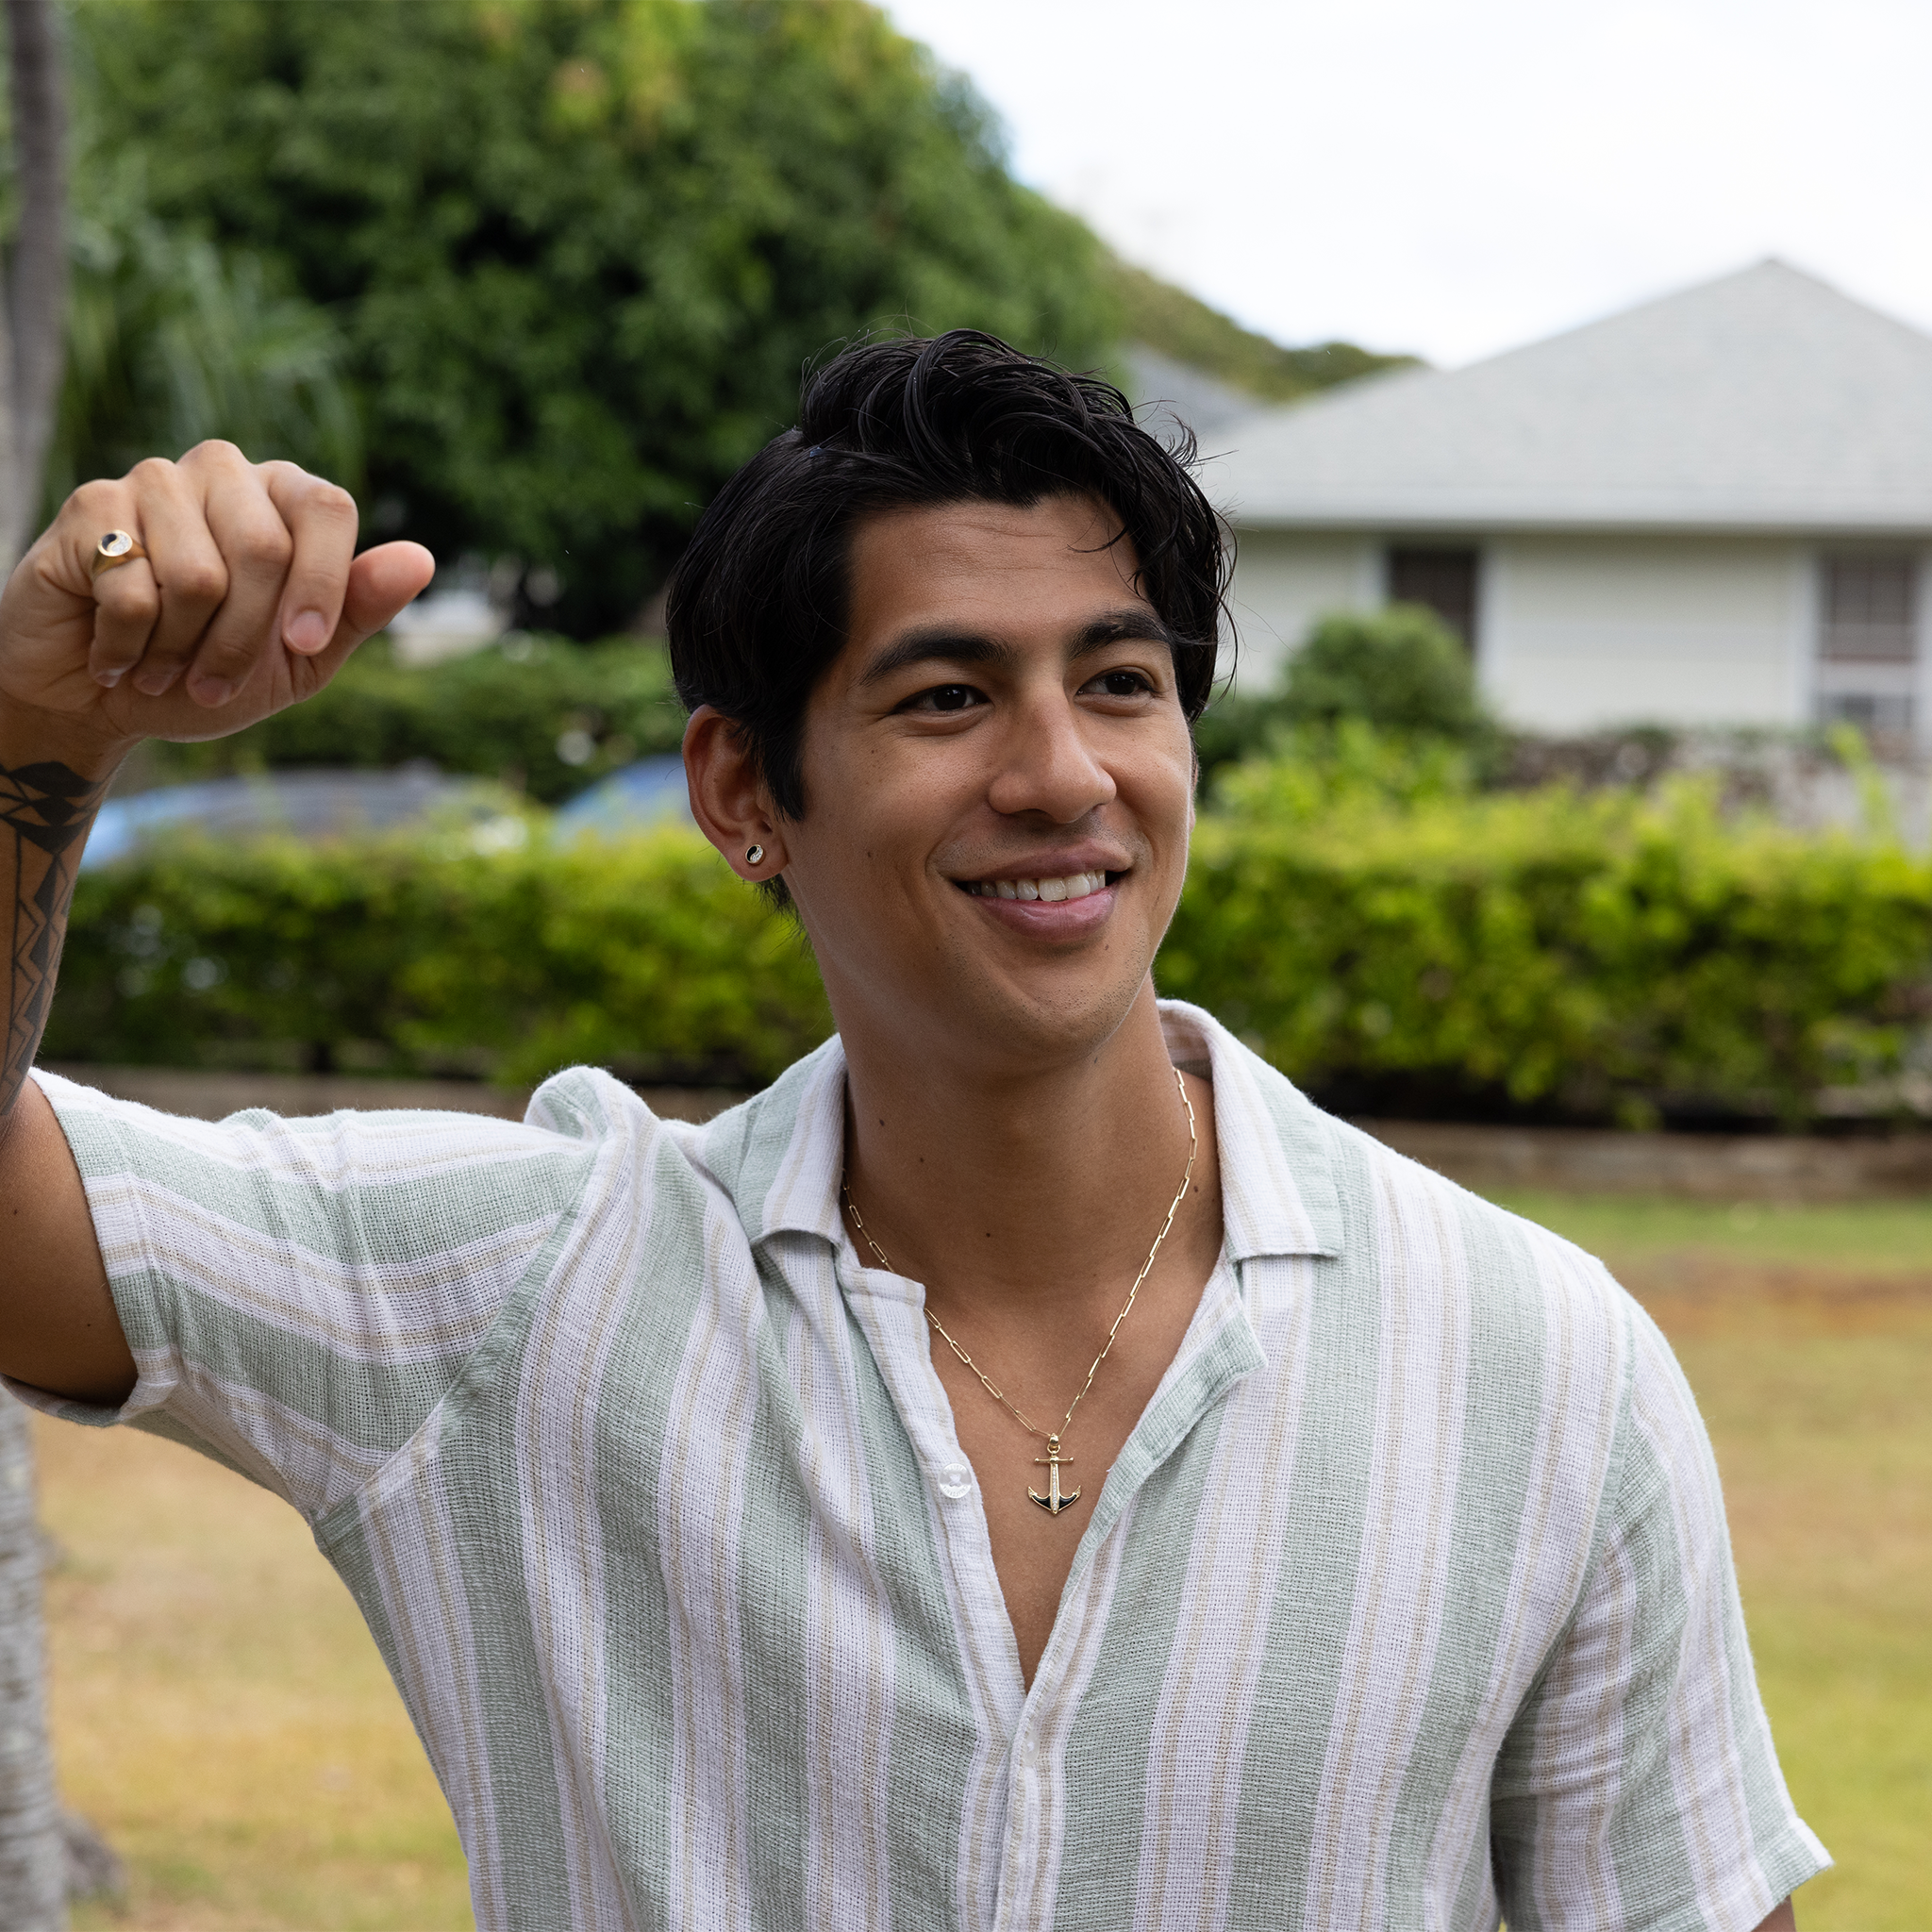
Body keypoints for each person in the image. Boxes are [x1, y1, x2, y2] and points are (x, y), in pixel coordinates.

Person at [0, 332, 1824, 1930]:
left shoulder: (1539, 1364)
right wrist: (37, 728)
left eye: (1120, 683)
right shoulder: (516, 1301)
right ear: (742, 792)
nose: (1062, 773)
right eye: (947, 696)